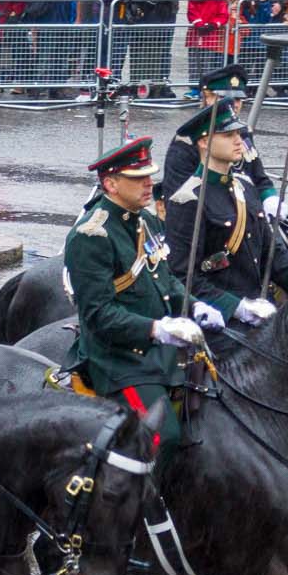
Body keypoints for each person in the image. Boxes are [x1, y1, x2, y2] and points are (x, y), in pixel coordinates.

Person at [64, 136, 217, 473]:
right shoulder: (91, 236)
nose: (150, 184)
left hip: (160, 351)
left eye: (149, 175)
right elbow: (98, 316)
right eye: (139, 178)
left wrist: (194, 307)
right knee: (161, 436)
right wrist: (156, 329)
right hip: (119, 361)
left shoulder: (144, 221)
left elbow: (165, 282)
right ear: (111, 184)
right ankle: (140, 516)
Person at [163, 103, 288, 326]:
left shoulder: (245, 186)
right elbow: (182, 277)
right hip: (220, 319)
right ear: (204, 142)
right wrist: (237, 308)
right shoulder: (188, 200)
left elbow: (271, 250)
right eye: (228, 135)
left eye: (239, 133)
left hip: (263, 308)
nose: (239, 141)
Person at [160, 63, 280, 209]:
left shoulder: (244, 132)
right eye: (225, 98)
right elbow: (178, 197)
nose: (234, 104)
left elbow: (258, 176)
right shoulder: (187, 141)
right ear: (207, 97)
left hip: (248, 211)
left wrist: (270, 199)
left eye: (238, 99)